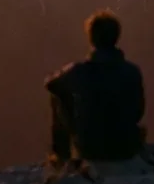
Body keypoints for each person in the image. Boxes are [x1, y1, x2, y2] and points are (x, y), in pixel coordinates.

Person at [45, 9, 146, 163]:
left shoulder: (79, 71)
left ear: (91, 38)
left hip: (90, 148)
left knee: (58, 94)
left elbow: (50, 84)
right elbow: (139, 111)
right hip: (126, 145)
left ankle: (61, 156)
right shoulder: (132, 71)